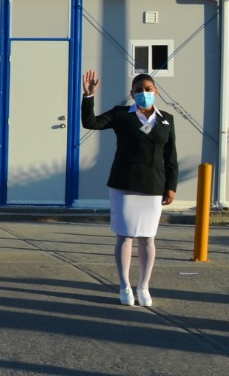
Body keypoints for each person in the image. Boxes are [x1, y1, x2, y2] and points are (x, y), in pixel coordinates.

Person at [81, 71, 177, 307]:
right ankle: (124, 286)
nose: (144, 93)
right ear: (132, 94)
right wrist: (89, 96)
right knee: (124, 236)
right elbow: (90, 123)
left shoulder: (166, 119)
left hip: (154, 185)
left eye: (149, 89)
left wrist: (171, 186)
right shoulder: (121, 115)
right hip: (125, 184)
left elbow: (171, 156)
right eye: (139, 90)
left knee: (148, 238)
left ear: (156, 92)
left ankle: (143, 287)